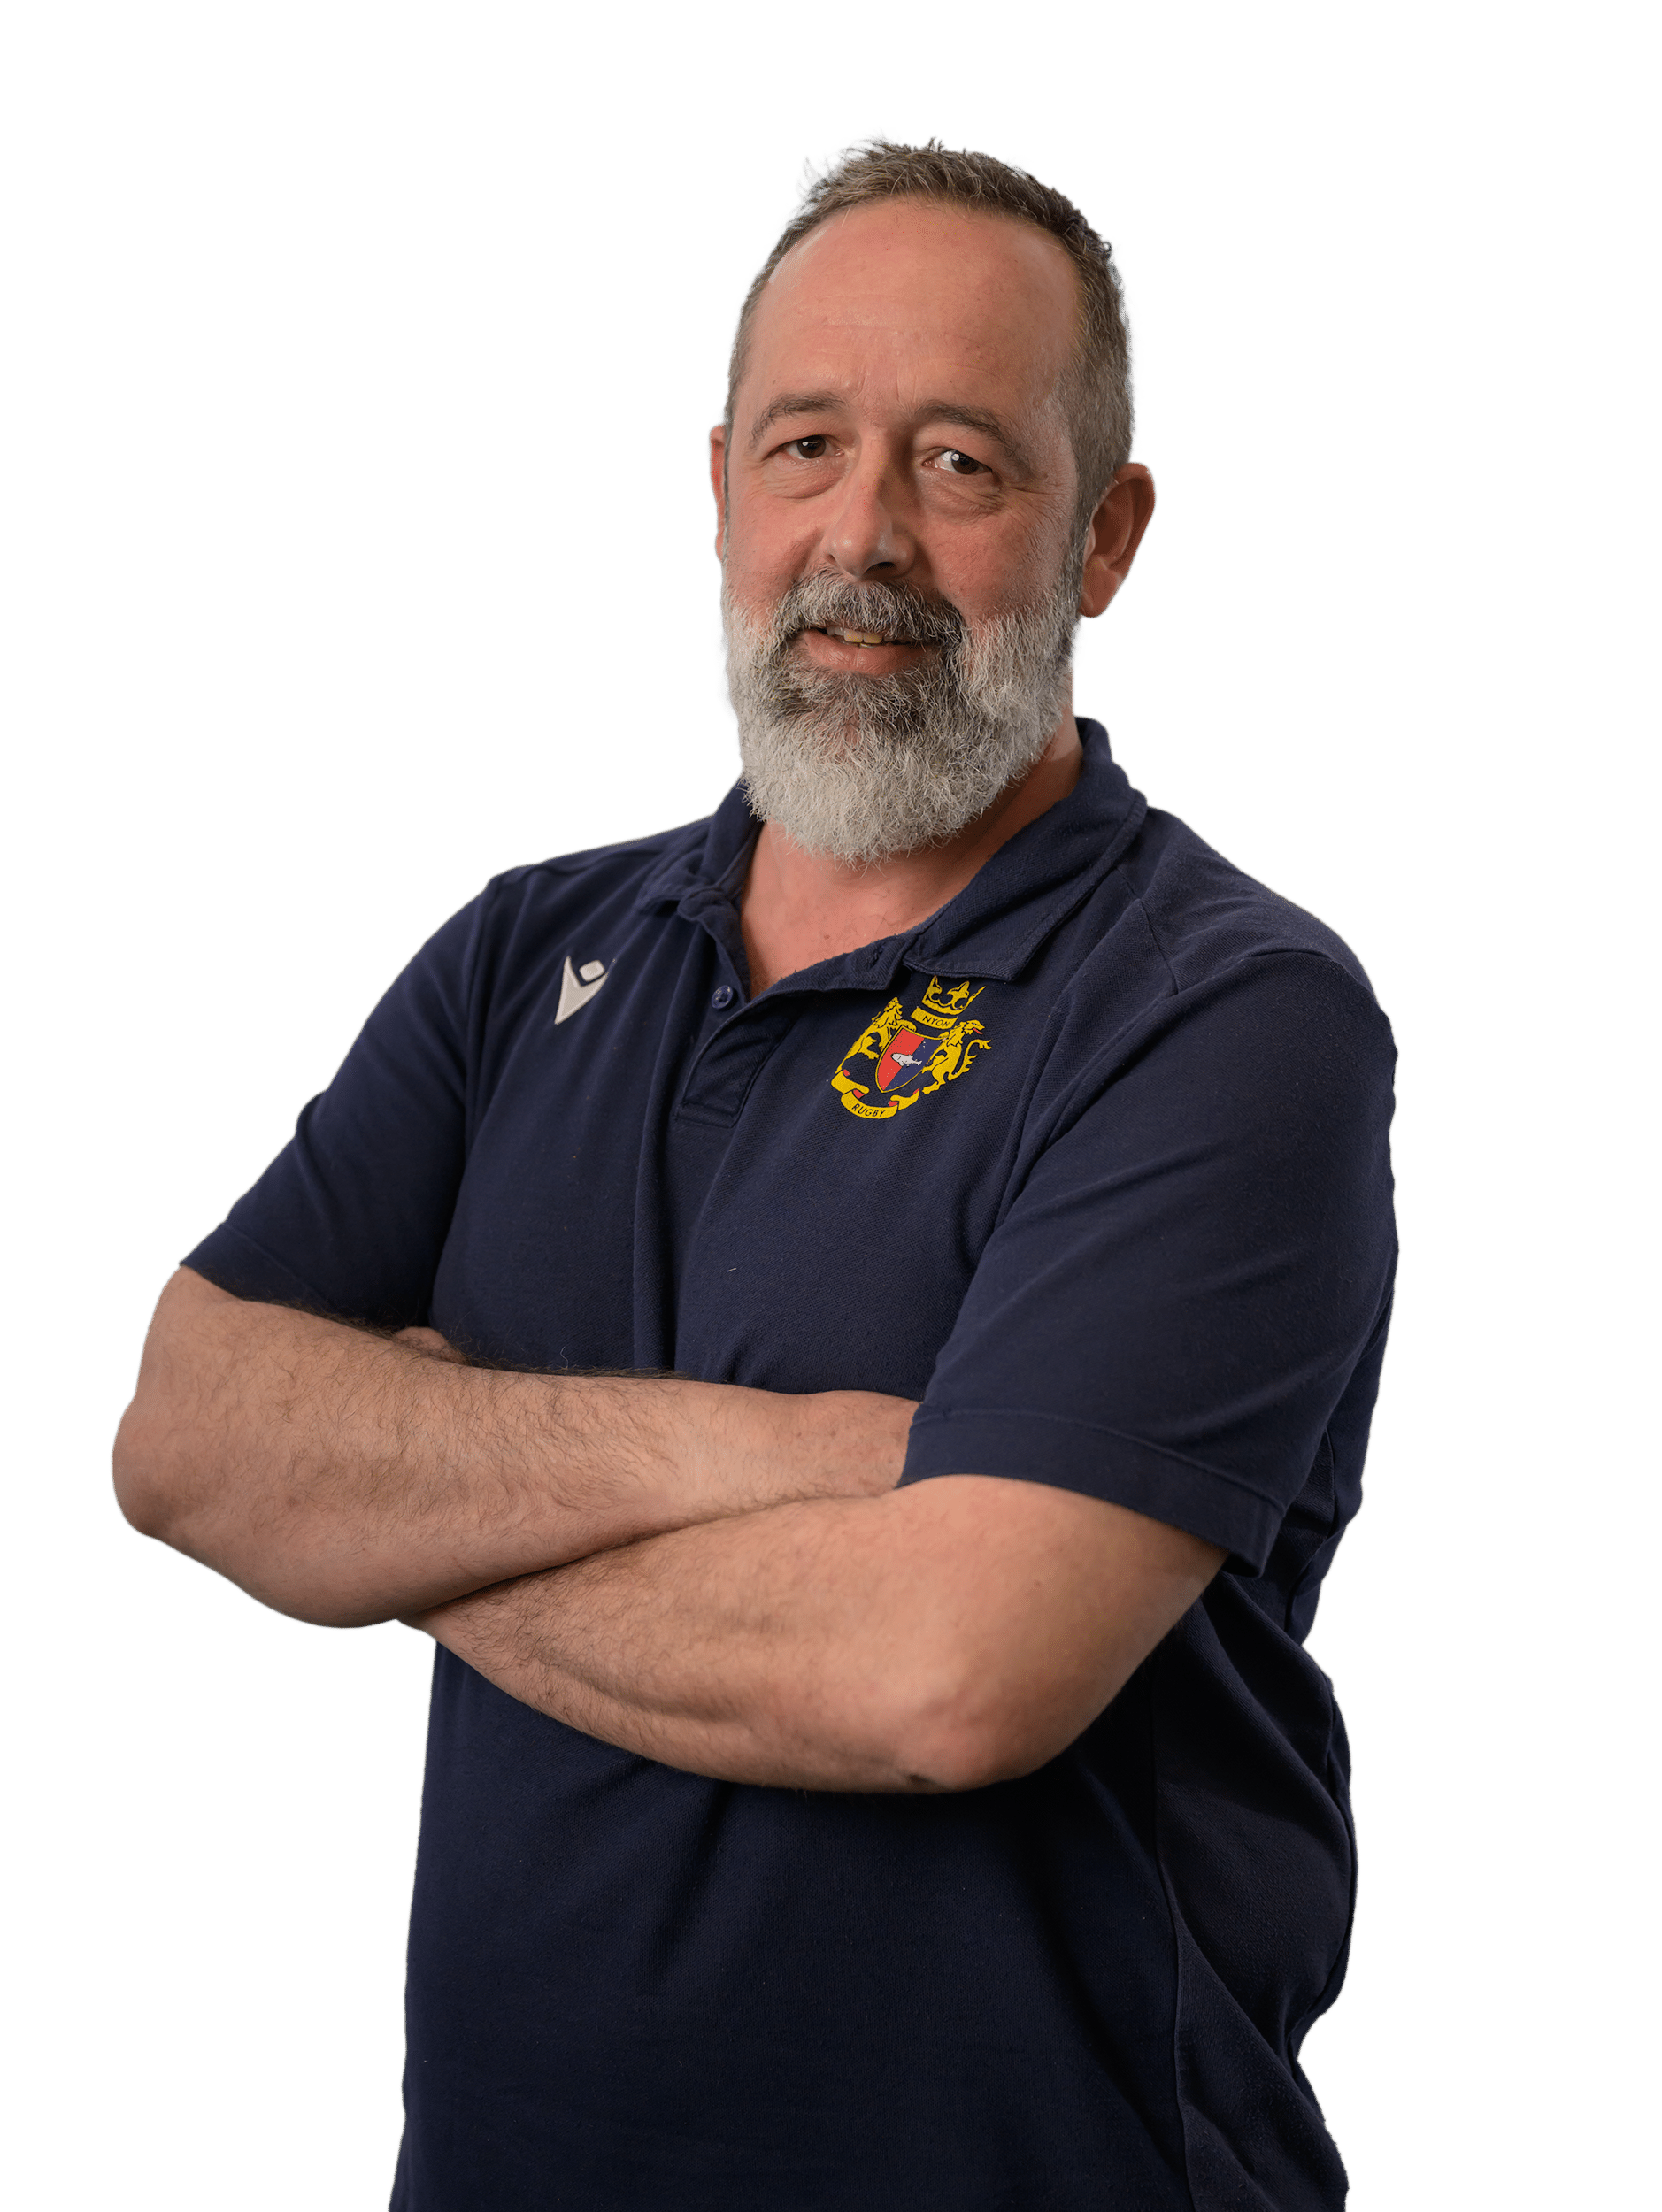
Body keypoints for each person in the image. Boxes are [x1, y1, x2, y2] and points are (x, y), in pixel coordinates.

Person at [112, 130, 1398, 2212]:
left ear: (1104, 534)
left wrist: (400, 1501)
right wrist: (786, 1457)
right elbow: (186, 1434)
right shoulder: (524, 951)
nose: (861, 536)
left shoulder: (1227, 1014)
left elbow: (942, 1672)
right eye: (807, 446)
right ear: (721, 486)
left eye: (961, 463)